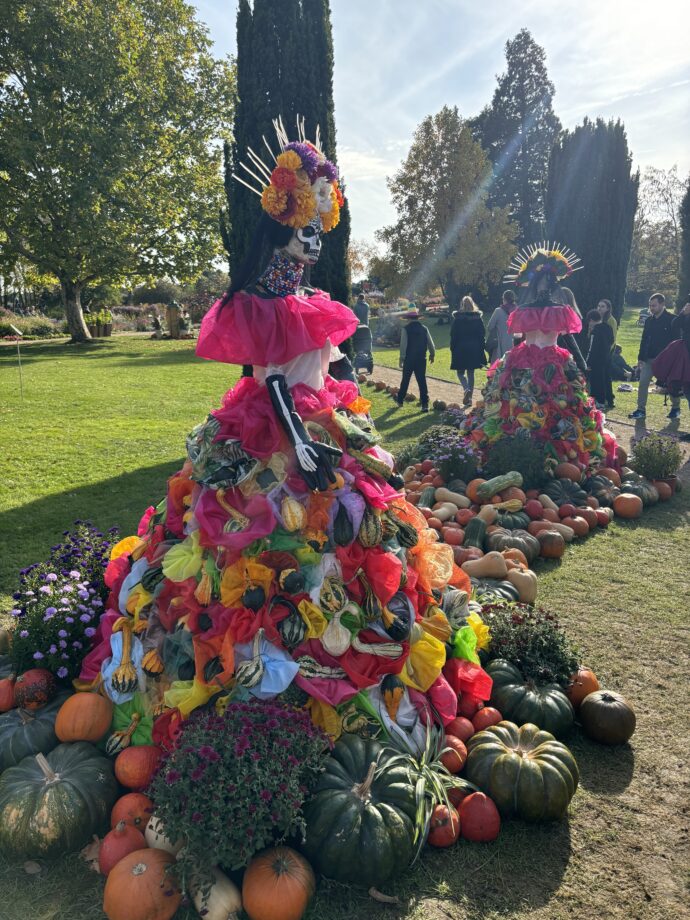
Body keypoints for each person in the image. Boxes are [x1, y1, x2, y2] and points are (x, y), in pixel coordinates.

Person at [461, 243, 618, 471]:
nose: (544, 286)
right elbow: (518, 339)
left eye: (548, 280)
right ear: (535, 282)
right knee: (516, 410)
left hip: (554, 362)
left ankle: (552, 460)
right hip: (524, 360)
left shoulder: (558, 310)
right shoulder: (526, 310)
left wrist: (582, 362)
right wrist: (510, 363)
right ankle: (520, 452)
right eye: (541, 280)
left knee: (557, 410)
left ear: (553, 282)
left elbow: (567, 338)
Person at [629, 293, 679, 420]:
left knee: (670, 384)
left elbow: (677, 341)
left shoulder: (672, 319)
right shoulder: (649, 321)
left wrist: (673, 359)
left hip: (666, 360)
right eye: (650, 305)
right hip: (649, 358)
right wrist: (640, 357)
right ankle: (641, 410)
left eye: (654, 305)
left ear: (662, 304)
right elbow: (644, 339)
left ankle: (676, 408)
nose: (651, 308)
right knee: (643, 382)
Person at [652, 300, 690, 423]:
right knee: (688, 391)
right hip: (686, 354)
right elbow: (675, 324)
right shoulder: (686, 314)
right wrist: (683, 313)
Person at [449, 295, 487, 406]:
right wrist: (481, 347)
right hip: (474, 348)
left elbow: (453, 335)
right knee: (471, 373)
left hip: (460, 348)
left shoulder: (457, 319)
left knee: (460, 373)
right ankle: (469, 399)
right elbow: (482, 334)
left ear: (462, 305)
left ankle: (466, 389)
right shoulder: (477, 318)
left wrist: (452, 347)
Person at [396, 310, 435, 412]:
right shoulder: (424, 329)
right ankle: (425, 404)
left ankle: (400, 400)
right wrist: (432, 354)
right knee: (422, 380)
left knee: (405, 379)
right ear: (418, 318)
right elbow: (431, 344)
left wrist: (401, 358)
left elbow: (403, 345)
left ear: (408, 319)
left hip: (409, 359)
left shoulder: (405, 329)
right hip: (421, 358)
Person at [585, 309, 614, 409]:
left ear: (592, 320)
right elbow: (612, 340)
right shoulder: (608, 327)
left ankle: (600, 401)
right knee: (607, 379)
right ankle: (610, 399)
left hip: (597, 360)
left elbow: (592, 348)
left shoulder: (595, 331)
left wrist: (588, 362)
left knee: (597, 380)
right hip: (607, 357)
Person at [485, 290, 516, 362]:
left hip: (498, 343)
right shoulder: (517, 311)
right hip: (512, 343)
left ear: (504, 299)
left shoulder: (498, 311)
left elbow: (490, 327)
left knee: (496, 367)